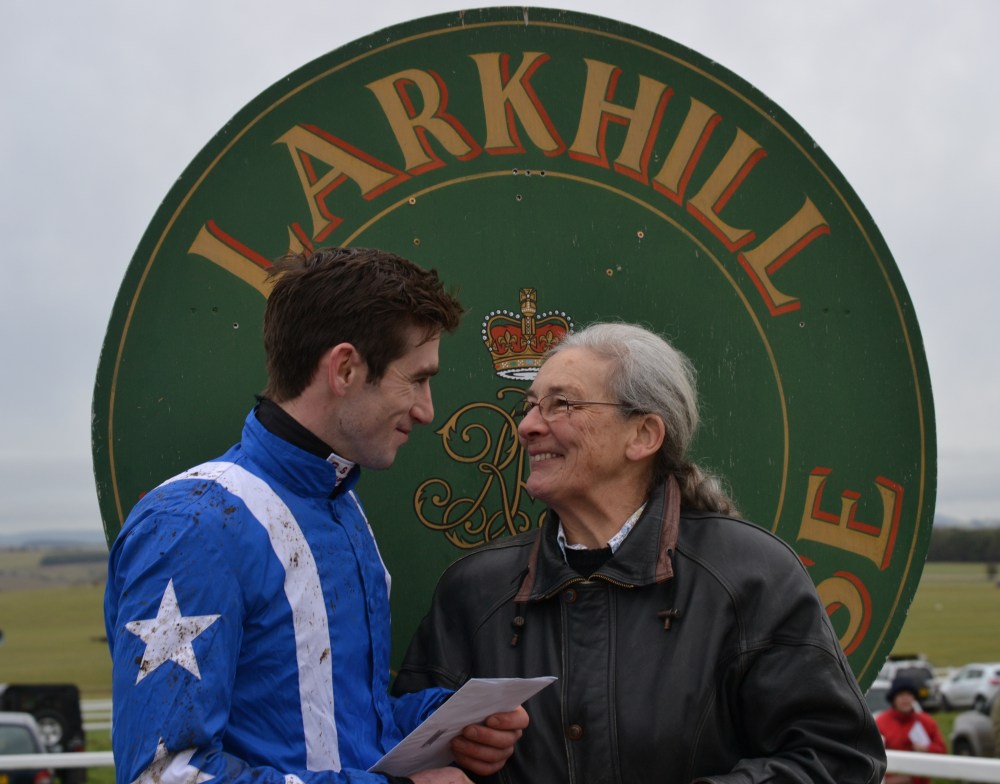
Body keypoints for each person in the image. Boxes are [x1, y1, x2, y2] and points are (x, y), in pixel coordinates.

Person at [393, 321, 887, 783]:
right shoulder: (473, 590)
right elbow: (400, 752)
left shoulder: (751, 576)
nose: (527, 426)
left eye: (561, 404)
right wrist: (454, 754)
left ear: (644, 435)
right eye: (530, 405)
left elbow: (838, 757)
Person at [105, 247, 528, 784]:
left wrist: (446, 725)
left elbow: (334, 732)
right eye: (416, 379)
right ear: (345, 369)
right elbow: (163, 776)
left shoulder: (339, 501)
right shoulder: (191, 525)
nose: (427, 410)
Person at [874, 677, 946, 784]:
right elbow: (873, 756)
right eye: (901, 695)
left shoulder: (926, 721)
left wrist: (927, 748)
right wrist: (888, 781)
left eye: (909, 695)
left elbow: (943, 751)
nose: (905, 699)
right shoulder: (880, 722)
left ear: (914, 697)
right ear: (893, 698)